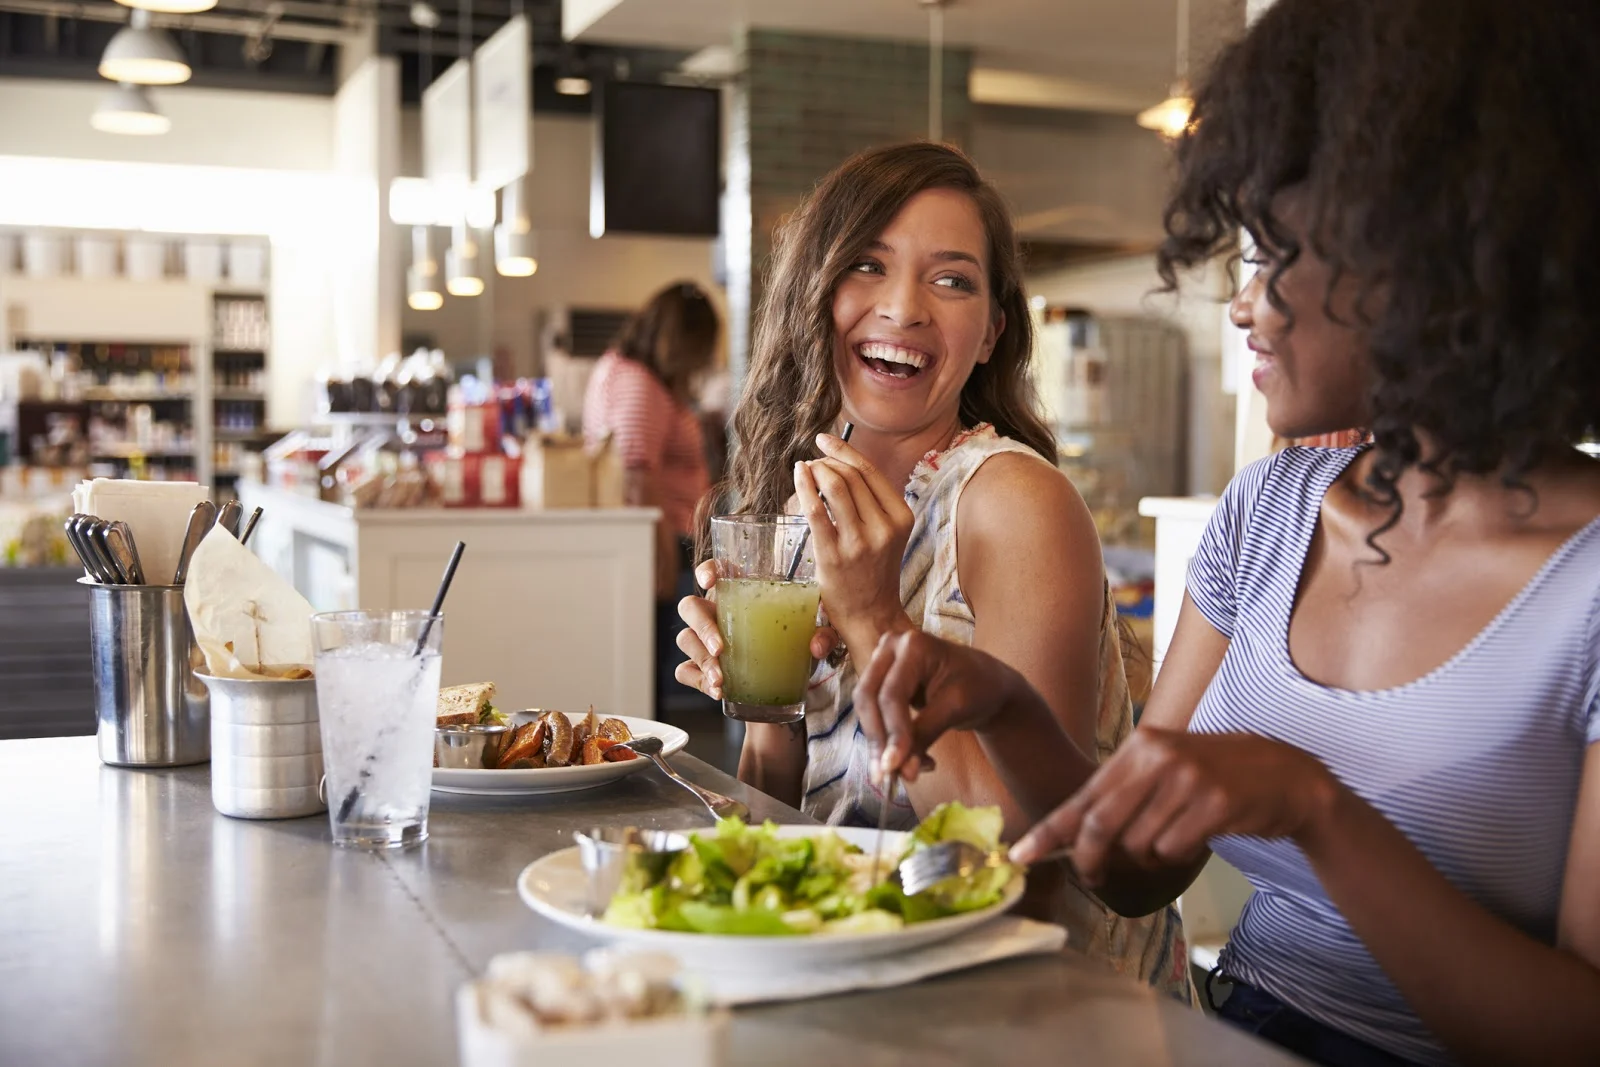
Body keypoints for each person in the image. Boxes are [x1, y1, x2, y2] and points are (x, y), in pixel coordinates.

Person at [851, 1, 1600, 1064]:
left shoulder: (1585, 585)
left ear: (1431, 256)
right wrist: (1005, 702)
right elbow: (1130, 867)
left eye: (1273, 254)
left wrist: (1314, 807)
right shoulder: (1270, 509)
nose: (1240, 306)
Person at [673, 142, 1192, 998]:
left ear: (990, 332)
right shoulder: (799, 506)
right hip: (866, 977)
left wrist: (877, 620)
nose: (904, 308)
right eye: (867, 266)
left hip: (1045, 1003)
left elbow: (1024, 860)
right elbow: (794, 817)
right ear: (817, 293)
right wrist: (764, 702)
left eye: (951, 280)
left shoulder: (1014, 501)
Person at [582, 281, 719, 711]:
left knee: (654, 668)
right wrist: (659, 565)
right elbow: (640, 478)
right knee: (654, 672)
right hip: (659, 545)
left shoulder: (624, 372)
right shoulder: (640, 384)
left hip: (660, 542)